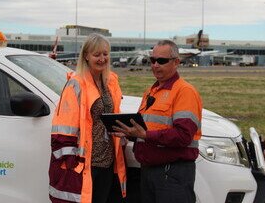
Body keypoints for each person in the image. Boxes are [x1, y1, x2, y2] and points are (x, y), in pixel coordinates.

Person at [113, 40, 202, 203]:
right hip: (148, 172)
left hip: (172, 174)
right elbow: (146, 128)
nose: (155, 65)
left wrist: (146, 135)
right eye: (152, 60)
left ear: (176, 62)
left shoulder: (185, 92)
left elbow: (183, 136)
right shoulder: (151, 92)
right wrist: (129, 132)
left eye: (161, 61)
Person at [49, 33, 127, 203]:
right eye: (97, 54)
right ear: (86, 56)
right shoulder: (76, 84)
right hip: (85, 165)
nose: (102, 59)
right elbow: (62, 129)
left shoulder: (111, 82)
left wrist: (123, 132)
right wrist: (72, 165)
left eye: (105, 54)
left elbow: (111, 116)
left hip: (107, 162)